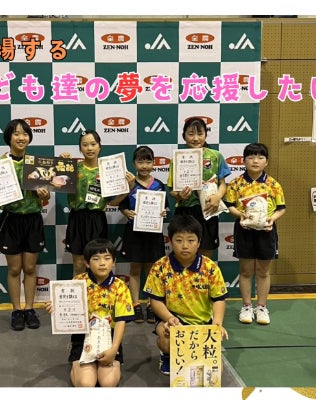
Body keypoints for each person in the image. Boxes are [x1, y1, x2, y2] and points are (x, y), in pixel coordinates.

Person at [0, 119, 51, 331]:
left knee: (29, 268)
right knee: (14, 269)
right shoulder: (0, 165)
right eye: (16, 133)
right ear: (9, 137)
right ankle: (16, 310)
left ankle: (29, 309)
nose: (21, 137)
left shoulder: (36, 163)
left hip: (33, 220)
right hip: (11, 220)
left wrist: (45, 195)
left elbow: (45, 197)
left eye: (25, 134)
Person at [143, 214, 229, 376]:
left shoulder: (210, 268)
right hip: (173, 320)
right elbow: (155, 300)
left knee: (213, 373)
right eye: (179, 240)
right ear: (170, 241)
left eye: (190, 240)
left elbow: (219, 299)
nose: (184, 246)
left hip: (202, 323)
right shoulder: (160, 267)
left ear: (199, 242)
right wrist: (170, 319)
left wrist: (217, 324)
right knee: (166, 339)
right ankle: (167, 354)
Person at [46, 238, 135, 387]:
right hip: (82, 336)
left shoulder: (120, 287)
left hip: (109, 337)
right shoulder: (78, 282)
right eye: (96, 259)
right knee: (86, 384)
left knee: (108, 383)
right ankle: (77, 365)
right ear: (87, 263)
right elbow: (66, 306)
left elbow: (121, 321)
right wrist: (56, 308)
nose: (102, 263)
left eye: (107, 258)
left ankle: (108, 365)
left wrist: (114, 349)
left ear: (114, 262)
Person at [223, 143, 286, 325]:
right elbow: (230, 206)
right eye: (250, 157)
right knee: (245, 271)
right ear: (244, 161)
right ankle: (246, 306)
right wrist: (240, 215)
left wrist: (272, 219)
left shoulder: (273, 184)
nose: (255, 161)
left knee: (263, 272)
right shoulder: (236, 183)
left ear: (267, 161)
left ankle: (262, 307)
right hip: (244, 231)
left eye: (260, 157)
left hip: (266, 231)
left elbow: (281, 208)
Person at [62, 130, 134, 276]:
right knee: (79, 265)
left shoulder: (107, 170)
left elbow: (113, 203)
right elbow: (56, 183)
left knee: (98, 264)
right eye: (85, 145)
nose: (89, 148)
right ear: (80, 148)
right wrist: (62, 163)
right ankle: (80, 292)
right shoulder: (73, 168)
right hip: (77, 219)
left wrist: (129, 188)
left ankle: (98, 291)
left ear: (100, 147)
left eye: (93, 144)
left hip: (97, 220)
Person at [167, 117, 231, 259]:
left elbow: (222, 184)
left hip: (209, 208)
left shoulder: (216, 156)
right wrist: (179, 195)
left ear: (206, 135)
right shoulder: (177, 158)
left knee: (206, 253)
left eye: (200, 134)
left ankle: (203, 275)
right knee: (183, 251)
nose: (196, 138)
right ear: (184, 136)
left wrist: (217, 197)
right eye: (191, 134)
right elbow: (171, 190)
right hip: (185, 210)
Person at [118, 145, 168, 324]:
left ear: (154, 163)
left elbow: (166, 207)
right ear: (134, 164)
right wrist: (127, 213)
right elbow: (122, 206)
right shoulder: (129, 183)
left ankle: (151, 305)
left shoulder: (159, 184)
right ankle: (136, 304)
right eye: (140, 162)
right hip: (135, 233)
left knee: (152, 270)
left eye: (148, 162)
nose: (144, 166)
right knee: (135, 269)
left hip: (153, 233)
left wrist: (164, 212)